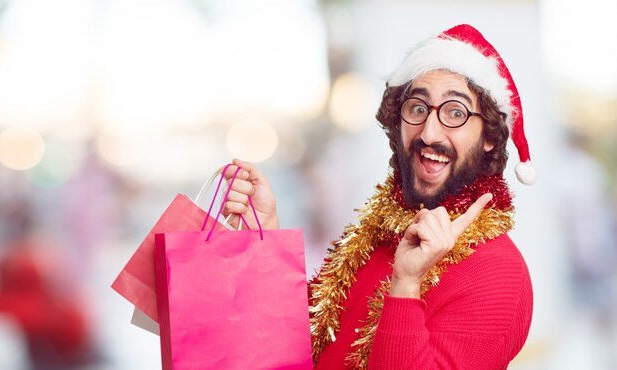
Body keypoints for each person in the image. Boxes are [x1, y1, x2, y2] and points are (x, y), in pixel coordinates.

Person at [221, 24, 535, 369]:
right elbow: (299, 347)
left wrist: (407, 283)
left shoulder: (499, 274)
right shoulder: (376, 232)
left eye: (455, 113)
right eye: (417, 108)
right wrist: (264, 240)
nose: (429, 133)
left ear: (490, 134)